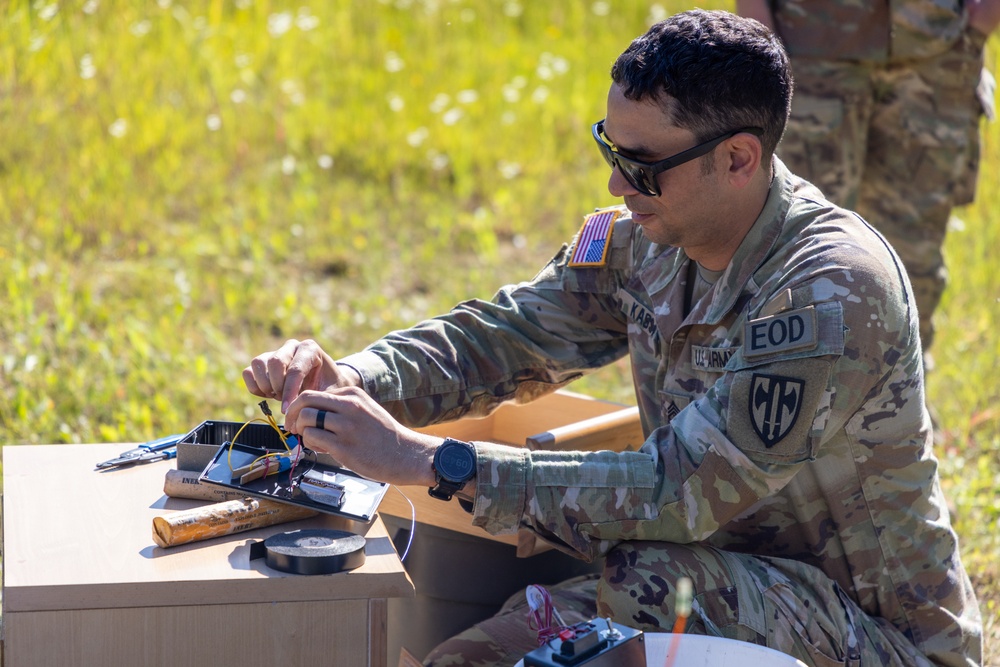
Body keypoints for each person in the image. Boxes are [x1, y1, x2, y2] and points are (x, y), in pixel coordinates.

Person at [243, 10, 982, 667]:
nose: (616, 188)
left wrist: (427, 459)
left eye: (642, 165)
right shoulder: (646, 240)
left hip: (870, 634)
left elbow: (679, 490)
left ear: (738, 158)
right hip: (701, 578)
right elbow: (506, 335)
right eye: (610, 150)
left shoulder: (831, 289)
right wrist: (353, 378)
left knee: (635, 588)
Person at [736, 0, 999, 358]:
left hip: (935, 54)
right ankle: (789, 390)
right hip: (810, 53)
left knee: (913, 251)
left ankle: (898, 397)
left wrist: (982, 21)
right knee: (792, 244)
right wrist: (761, 34)